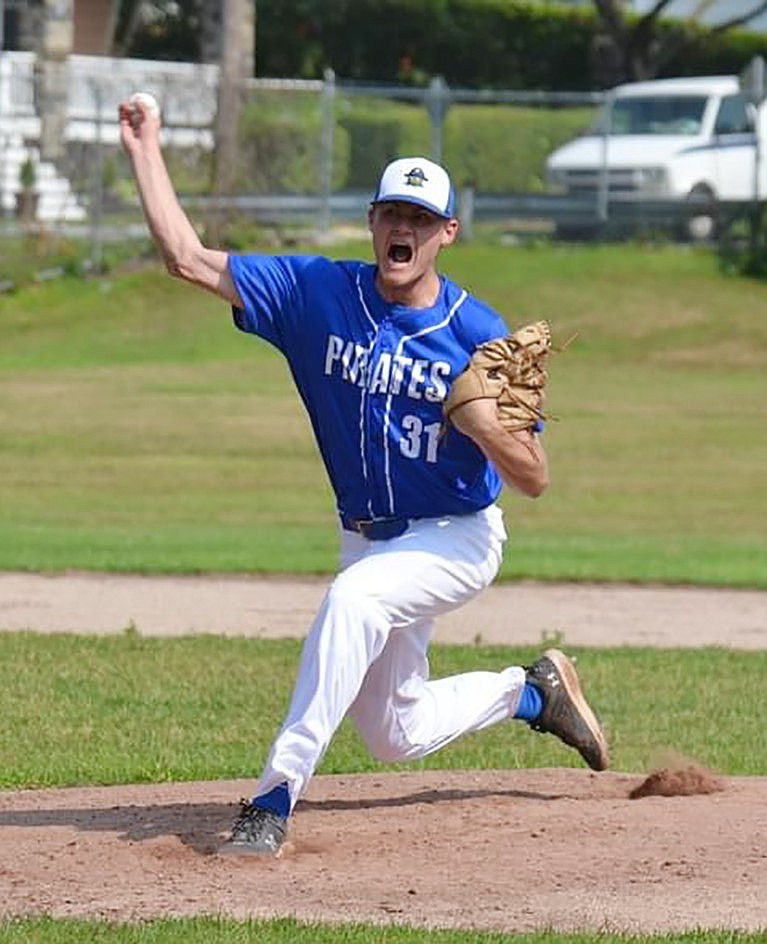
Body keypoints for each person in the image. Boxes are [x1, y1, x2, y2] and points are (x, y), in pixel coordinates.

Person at [119, 95, 609, 856]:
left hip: (454, 538)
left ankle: (273, 797)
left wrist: (482, 422)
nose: (402, 230)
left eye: (420, 219)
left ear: (447, 233)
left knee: (353, 601)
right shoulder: (317, 293)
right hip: (368, 538)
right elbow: (187, 257)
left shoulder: (477, 334)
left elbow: (534, 476)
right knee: (393, 731)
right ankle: (531, 692)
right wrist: (143, 148)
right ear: (372, 223)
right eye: (391, 214)